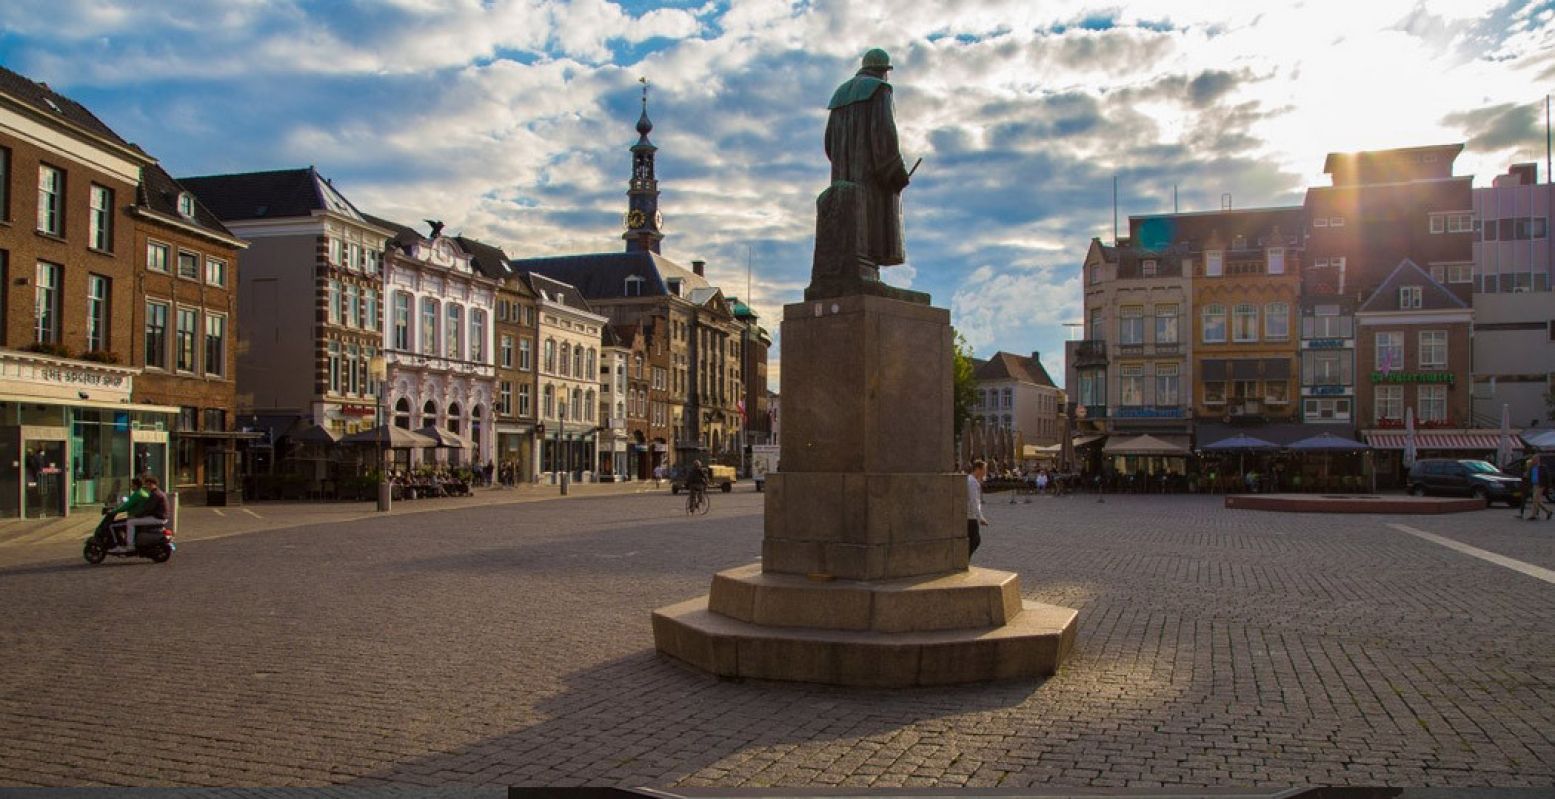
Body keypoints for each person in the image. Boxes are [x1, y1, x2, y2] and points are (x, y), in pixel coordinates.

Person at [120, 475, 169, 553]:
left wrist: (136, 516)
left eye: (148, 484)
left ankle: (130, 546)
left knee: (130, 522)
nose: (147, 487)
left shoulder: (155, 494)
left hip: (158, 518)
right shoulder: (159, 492)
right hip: (161, 517)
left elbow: (147, 509)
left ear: (152, 484)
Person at [107, 477, 148, 552]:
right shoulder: (143, 492)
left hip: (135, 516)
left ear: (136, 485)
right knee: (120, 523)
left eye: (132, 485)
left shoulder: (137, 494)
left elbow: (126, 506)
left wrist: (113, 512)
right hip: (139, 515)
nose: (131, 486)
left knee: (112, 525)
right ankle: (125, 540)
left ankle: (118, 545)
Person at [966, 458, 989, 559]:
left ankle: (964, 559)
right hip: (970, 515)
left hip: (970, 514)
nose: (985, 472)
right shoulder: (972, 482)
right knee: (975, 540)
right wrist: (980, 517)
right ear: (978, 469)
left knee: (973, 540)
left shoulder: (971, 480)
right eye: (984, 469)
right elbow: (974, 500)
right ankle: (964, 560)